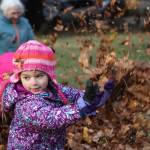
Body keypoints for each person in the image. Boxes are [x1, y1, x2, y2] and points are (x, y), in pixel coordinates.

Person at [1, 40, 115, 150]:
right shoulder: (24, 104)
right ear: (19, 77)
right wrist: (81, 106)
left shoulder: (53, 88)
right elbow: (52, 118)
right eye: (26, 77)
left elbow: (74, 94)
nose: (33, 82)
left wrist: (93, 97)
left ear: (49, 74)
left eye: (39, 76)